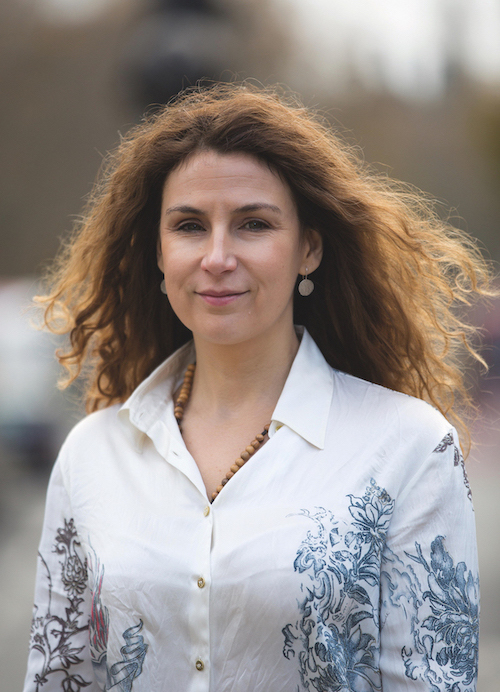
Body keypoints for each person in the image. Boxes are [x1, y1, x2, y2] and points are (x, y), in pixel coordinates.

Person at [24, 83, 492, 692]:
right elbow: (59, 679)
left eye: (253, 224)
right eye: (190, 226)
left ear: (309, 248)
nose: (218, 256)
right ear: (158, 254)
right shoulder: (92, 455)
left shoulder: (408, 449)